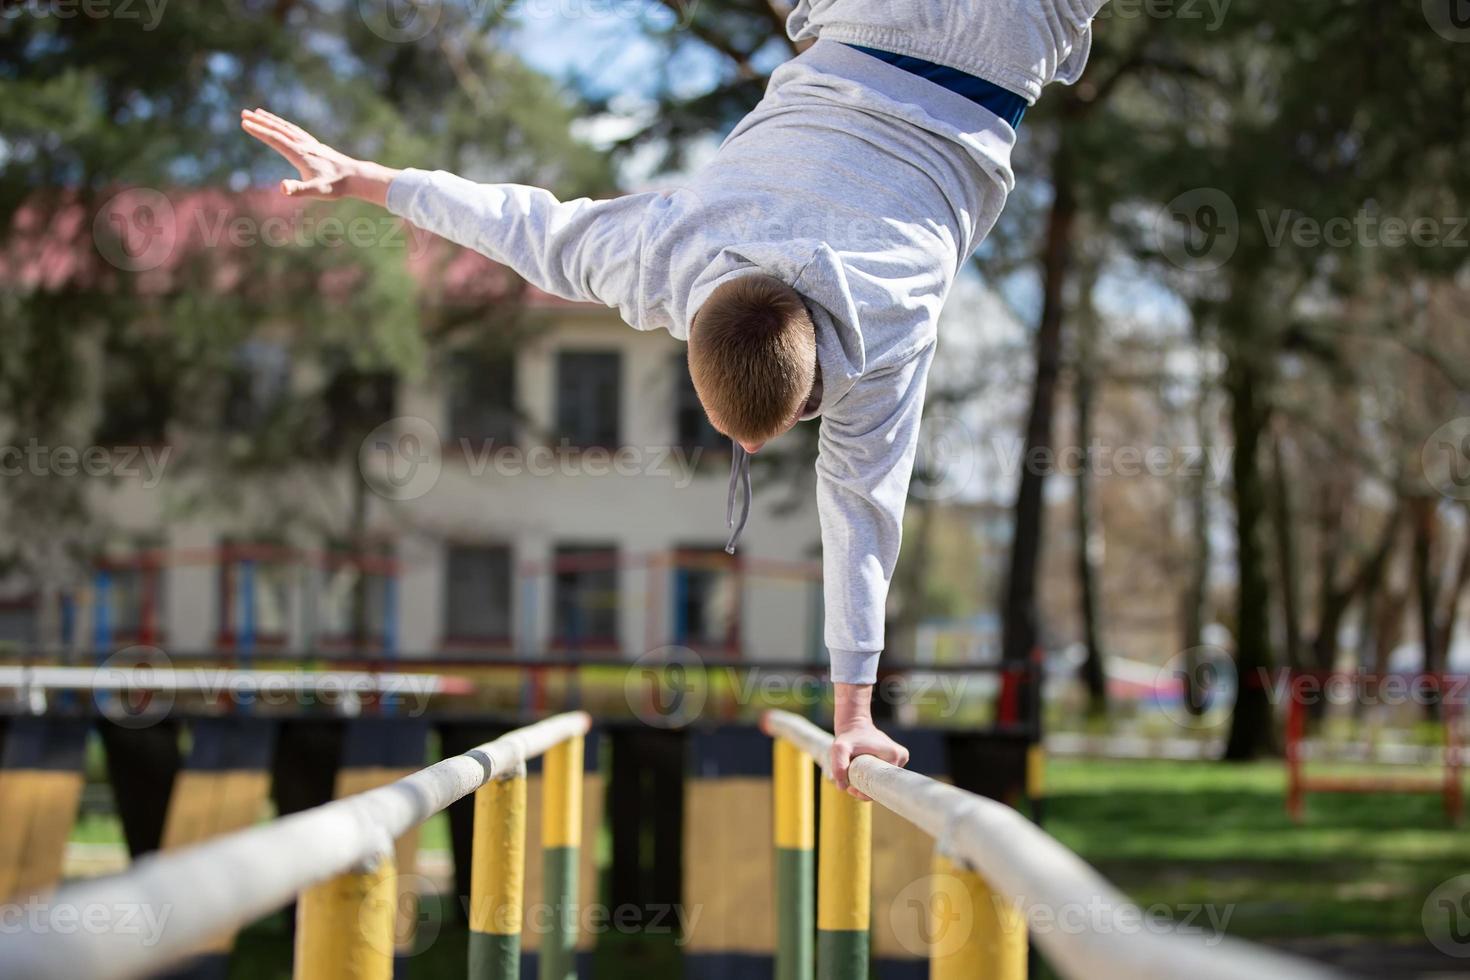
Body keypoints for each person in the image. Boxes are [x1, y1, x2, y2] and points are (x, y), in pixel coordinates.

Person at [241, 0, 1109, 798]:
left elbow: (863, 512)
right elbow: (523, 226)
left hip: (1008, 41)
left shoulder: (886, 332)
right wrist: (367, 179)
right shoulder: (663, 259)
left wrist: (855, 717)